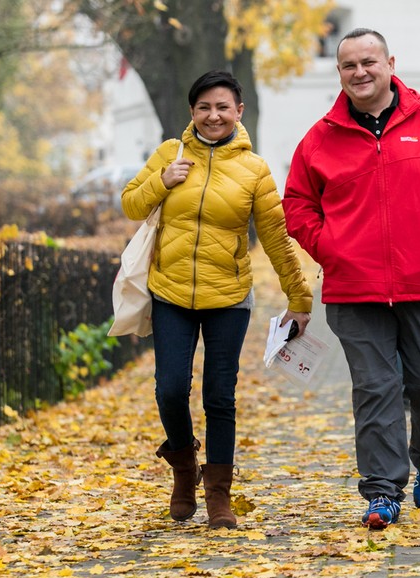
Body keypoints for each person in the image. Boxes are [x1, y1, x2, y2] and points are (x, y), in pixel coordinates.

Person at [282, 29, 420, 530]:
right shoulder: (320, 138)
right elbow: (295, 204)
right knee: (376, 388)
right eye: (348, 66)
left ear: (389, 64)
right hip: (354, 291)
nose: (360, 72)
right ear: (339, 74)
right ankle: (382, 491)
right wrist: (331, 247)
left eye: (369, 62)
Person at [122, 70, 313, 529]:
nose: (213, 115)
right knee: (169, 389)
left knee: (219, 397)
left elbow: (276, 238)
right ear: (192, 112)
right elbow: (131, 204)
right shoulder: (171, 153)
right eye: (204, 107)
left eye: (222, 107)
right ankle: (184, 471)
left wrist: (299, 297)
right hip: (170, 292)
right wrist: (162, 182)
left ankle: (218, 496)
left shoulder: (254, 170)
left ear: (238, 112)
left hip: (229, 296)